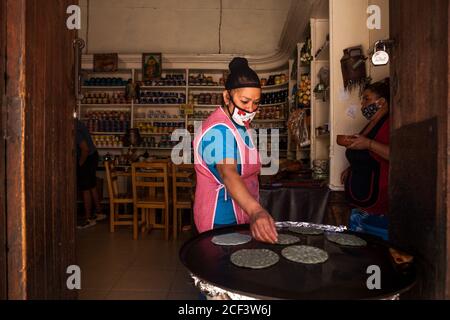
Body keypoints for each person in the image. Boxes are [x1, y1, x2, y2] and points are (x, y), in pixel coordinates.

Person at [193, 57, 278, 244]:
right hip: (221, 220)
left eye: (256, 102)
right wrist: (256, 211)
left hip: (242, 215)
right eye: (245, 101)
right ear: (226, 97)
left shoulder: (242, 125)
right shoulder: (218, 130)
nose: (250, 109)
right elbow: (228, 173)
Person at [341, 79, 390, 240]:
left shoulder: (389, 123)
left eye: (366, 98)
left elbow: (395, 155)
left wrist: (368, 143)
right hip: (360, 199)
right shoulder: (370, 124)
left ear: (381, 102)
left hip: (377, 201)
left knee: (373, 249)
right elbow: (364, 155)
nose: (362, 103)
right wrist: (351, 168)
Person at [76, 119, 106, 229]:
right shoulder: (77, 122)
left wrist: (80, 164)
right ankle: (99, 212)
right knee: (92, 185)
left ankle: (88, 219)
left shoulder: (74, 129)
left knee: (85, 188)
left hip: (87, 157)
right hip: (93, 156)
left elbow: (85, 149)